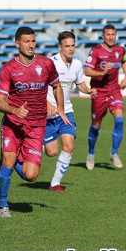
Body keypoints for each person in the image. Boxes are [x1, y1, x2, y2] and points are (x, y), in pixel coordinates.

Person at [0, 26, 69, 217]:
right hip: (13, 124)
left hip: (37, 126)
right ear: (17, 44)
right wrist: (14, 110)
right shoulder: (8, 69)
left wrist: (60, 108)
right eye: (26, 41)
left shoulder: (46, 64)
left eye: (33, 41)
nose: (31, 45)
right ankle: (2, 205)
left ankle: (7, 163)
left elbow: (57, 86)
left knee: (31, 176)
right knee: (8, 160)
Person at [45, 31, 97, 192]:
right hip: (49, 113)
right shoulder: (50, 63)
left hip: (66, 112)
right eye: (67, 46)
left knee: (69, 145)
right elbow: (40, 88)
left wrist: (88, 91)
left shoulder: (76, 63)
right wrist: (47, 104)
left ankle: (55, 184)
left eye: (73, 45)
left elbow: (80, 83)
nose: (71, 49)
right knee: (52, 152)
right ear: (60, 47)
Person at [84, 24, 126, 170]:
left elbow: (124, 60)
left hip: (114, 90)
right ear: (103, 36)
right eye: (108, 35)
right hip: (99, 92)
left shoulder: (120, 50)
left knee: (120, 120)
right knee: (96, 126)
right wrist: (102, 73)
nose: (111, 37)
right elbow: (87, 71)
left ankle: (114, 153)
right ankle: (91, 153)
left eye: (113, 34)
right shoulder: (96, 51)